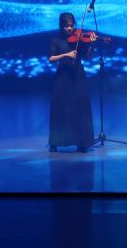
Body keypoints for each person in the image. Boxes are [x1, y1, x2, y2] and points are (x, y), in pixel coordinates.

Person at [48, 12, 95, 152]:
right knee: (60, 108)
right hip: (62, 76)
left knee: (80, 108)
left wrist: (91, 44)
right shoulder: (56, 40)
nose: (69, 28)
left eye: (71, 25)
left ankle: (81, 142)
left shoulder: (79, 39)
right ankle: (55, 142)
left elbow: (87, 57)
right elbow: (51, 59)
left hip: (78, 76)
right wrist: (65, 55)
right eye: (66, 26)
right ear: (61, 26)